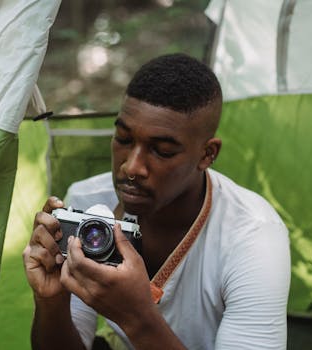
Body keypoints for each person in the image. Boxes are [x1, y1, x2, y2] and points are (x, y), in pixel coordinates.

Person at [23, 53, 291, 349]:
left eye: (162, 150)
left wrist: (136, 315)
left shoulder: (253, 237)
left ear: (207, 155)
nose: (131, 167)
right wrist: (51, 301)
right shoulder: (90, 203)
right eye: (123, 139)